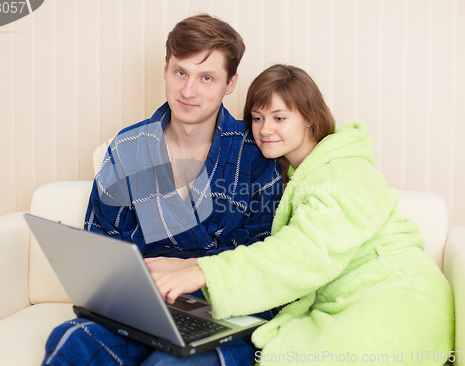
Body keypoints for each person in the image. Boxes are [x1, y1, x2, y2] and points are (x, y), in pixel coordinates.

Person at [152, 64, 455, 365]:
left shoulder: (344, 172)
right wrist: (188, 263)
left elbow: (303, 252)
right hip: (350, 298)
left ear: (310, 118)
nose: (264, 129)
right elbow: (283, 250)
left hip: (398, 300)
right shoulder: (295, 175)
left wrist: (203, 273)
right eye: (257, 118)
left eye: (279, 118)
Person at [42, 15, 283, 366]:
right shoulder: (128, 148)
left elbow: (270, 258)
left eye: (206, 78)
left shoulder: (254, 154)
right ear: (166, 69)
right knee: (71, 341)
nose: (188, 91)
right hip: (143, 304)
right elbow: (102, 242)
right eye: (180, 73)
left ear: (230, 84)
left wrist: (194, 268)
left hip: (225, 307)